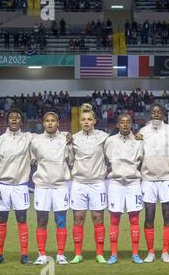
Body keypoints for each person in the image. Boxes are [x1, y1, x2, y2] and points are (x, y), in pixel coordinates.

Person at [0, 110, 32, 265]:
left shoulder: (29, 138)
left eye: (17, 117)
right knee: (1, 220)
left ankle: (25, 255)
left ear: (22, 122)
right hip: (3, 186)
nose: (14, 120)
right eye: (11, 118)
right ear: (7, 121)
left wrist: (65, 135)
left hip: (20, 186)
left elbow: (48, 136)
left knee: (22, 219)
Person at [69, 103, 109, 264]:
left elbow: (110, 156)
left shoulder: (104, 137)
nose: (86, 122)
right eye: (83, 119)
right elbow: (70, 160)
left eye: (89, 119)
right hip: (79, 183)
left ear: (94, 121)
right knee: (78, 218)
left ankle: (99, 253)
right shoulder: (74, 139)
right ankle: (78, 253)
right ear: (80, 121)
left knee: (97, 217)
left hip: (97, 183)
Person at [138, 104, 169, 263]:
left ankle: (165, 252)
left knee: (168, 215)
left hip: (167, 178)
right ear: (150, 114)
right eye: (153, 112)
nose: (155, 114)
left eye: (158, 112)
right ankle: (151, 252)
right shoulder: (142, 132)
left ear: (163, 114)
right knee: (149, 216)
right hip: (148, 179)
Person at [30, 112, 71, 265]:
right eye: (47, 121)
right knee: (42, 220)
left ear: (58, 123)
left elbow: (70, 160)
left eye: (53, 120)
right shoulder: (36, 141)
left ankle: (60, 254)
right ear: (43, 123)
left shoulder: (65, 139)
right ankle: (41, 254)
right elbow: (32, 161)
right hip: (42, 186)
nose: (50, 123)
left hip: (60, 186)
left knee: (60, 220)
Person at [105, 113, 144, 264]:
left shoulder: (139, 142)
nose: (125, 125)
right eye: (122, 122)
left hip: (133, 184)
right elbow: (106, 158)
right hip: (116, 184)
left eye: (128, 122)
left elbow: (141, 160)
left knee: (134, 219)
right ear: (117, 125)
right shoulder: (110, 141)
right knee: (114, 219)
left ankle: (135, 254)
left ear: (132, 124)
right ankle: (113, 254)